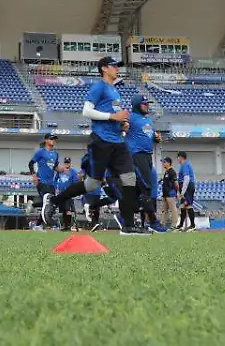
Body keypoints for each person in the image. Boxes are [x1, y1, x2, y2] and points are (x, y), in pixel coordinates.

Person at [43, 56, 148, 235]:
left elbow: (114, 115)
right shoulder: (99, 87)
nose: (117, 69)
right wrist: (112, 117)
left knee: (129, 178)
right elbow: (86, 111)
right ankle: (54, 201)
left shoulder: (115, 91)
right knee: (92, 184)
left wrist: (122, 124)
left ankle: (128, 226)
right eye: (114, 66)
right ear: (104, 69)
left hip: (118, 142)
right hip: (100, 141)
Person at [126, 95, 167, 232]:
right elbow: (119, 126)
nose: (147, 106)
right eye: (144, 104)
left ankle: (126, 215)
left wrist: (156, 138)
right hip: (136, 156)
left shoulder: (148, 120)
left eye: (147, 103)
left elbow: (149, 136)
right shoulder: (131, 117)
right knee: (146, 189)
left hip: (148, 156)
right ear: (137, 105)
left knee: (139, 190)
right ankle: (153, 222)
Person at [28, 133, 60, 229]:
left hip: (51, 183)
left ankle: (37, 224)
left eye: (54, 139)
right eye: (51, 139)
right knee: (48, 203)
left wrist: (62, 170)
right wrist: (34, 176)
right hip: (42, 181)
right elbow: (31, 163)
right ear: (46, 140)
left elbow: (54, 166)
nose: (53, 140)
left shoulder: (55, 154)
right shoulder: (40, 152)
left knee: (51, 205)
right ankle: (53, 225)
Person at [52, 161, 80, 231]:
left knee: (68, 209)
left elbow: (75, 182)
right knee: (63, 210)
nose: (67, 164)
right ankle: (65, 225)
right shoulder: (60, 171)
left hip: (69, 193)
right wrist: (56, 187)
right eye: (66, 163)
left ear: (70, 164)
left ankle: (68, 225)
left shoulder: (73, 172)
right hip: (61, 193)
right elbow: (55, 180)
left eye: (68, 163)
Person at [176, 152, 197, 232]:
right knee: (182, 206)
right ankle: (181, 225)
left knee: (188, 205)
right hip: (186, 187)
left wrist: (183, 192)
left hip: (187, 187)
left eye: (178, 157)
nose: (177, 159)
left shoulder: (185, 165)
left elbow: (187, 178)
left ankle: (192, 225)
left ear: (180, 157)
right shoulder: (185, 165)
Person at [160, 157, 179, 230]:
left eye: (164, 162)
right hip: (165, 194)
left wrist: (177, 192)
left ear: (168, 163)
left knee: (173, 209)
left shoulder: (172, 172)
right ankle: (162, 224)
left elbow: (176, 183)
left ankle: (174, 224)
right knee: (164, 210)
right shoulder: (166, 172)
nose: (163, 164)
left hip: (170, 194)